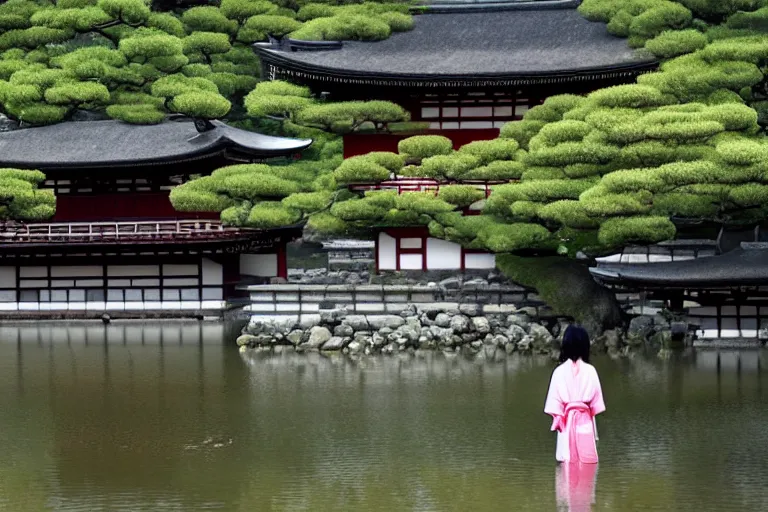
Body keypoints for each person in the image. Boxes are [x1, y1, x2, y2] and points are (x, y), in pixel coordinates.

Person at [544, 325, 605, 463]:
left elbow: (554, 405)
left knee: (566, 463)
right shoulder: (591, 371)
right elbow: (595, 405)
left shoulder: (559, 372)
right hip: (585, 421)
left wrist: (559, 419)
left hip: (567, 423)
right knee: (587, 465)